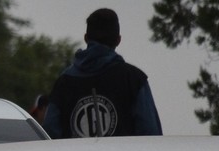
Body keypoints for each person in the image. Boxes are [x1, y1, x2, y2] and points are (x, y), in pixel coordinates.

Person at [41, 8, 163, 138]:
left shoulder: (64, 82)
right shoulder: (134, 79)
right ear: (118, 40)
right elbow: (150, 133)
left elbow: (50, 132)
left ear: (86, 38)